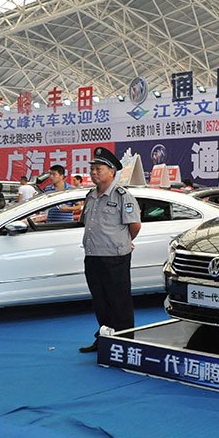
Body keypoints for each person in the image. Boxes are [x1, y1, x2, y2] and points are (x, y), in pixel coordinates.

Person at [78, 147, 142, 354]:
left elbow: (135, 226)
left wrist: (121, 242)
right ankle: (105, 339)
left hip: (115, 258)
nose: (93, 172)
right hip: (93, 256)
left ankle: (125, 344)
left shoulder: (123, 196)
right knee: (100, 302)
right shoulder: (91, 195)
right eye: (92, 169)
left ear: (112, 171)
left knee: (119, 302)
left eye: (98, 169)